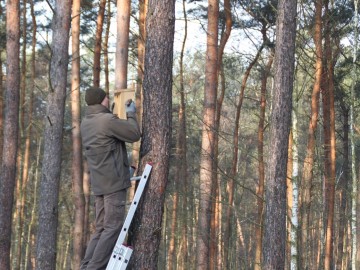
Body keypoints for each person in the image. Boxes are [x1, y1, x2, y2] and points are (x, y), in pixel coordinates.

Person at [80, 87, 141, 270]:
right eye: (106, 98)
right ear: (102, 100)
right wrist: (130, 114)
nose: (108, 99)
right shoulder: (106, 121)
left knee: (101, 229)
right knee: (113, 227)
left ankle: (85, 266)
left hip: (100, 184)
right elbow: (133, 134)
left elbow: (107, 148)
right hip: (113, 185)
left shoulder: (87, 122)